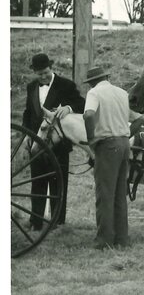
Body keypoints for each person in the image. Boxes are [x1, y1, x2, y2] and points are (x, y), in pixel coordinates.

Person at [21, 53, 85, 229]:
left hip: (59, 144)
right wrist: (27, 134)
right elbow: (28, 113)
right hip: (37, 141)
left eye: (46, 72)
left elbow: (82, 104)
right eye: (39, 74)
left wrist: (69, 108)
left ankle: (57, 221)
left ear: (51, 68)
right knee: (37, 182)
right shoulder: (31, 87)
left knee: (58, 183)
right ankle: (36, 221)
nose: (43, 76)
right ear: (35, 72)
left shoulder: (66, 85)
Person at [82, 66, 134, 249]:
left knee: (104, 194)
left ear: (91, 82)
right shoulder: (121, 92)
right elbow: (137, 118)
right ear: (107, 77)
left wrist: (91, 139)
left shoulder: (94, 93)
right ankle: (122, 238)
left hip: (107, 145)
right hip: (124, 143)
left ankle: (104, 240)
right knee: (120, 193)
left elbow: (88, 114)